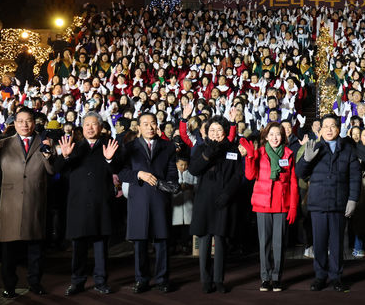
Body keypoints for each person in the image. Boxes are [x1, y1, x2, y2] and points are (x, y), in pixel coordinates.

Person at [0, 107, 54, 299]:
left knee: (36, 249)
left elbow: (51, 170)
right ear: (14, 123)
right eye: (20, 121)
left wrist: (49, 155)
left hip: (35, 202)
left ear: (34, 123)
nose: (24, 125)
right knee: (9, 251)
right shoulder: (5, 143)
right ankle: (9, 286)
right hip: (10, 204)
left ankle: (35, 283)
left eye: (28, 121)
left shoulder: (45, 143)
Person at [55, 112, 120, 296]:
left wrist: (109, 159)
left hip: (101, 204)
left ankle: (101, 281)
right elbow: (56, 169)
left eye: (94, 124)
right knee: (79, 247)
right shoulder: (73, 147)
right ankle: (77, 281)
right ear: (82, 128)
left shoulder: (110, 146)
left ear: (100, 127)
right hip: (79, 205)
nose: (90, 128)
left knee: (101, 246)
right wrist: (65, 156)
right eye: (86, 125)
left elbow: (118, 169)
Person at [296, 114, 361, 292]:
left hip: (339, 204)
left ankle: (336, 277)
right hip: (318, 203)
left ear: (339, 129)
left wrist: (353, 199)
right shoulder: (314, 147)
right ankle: (320, 276)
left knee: (337, 243)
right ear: (321, 130)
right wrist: (306, 160)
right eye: (326, 126)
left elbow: (355, 178)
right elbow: (300, 173)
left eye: (333, 126)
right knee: (319, 243)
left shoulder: (348, 150)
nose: (330, 129)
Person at [120, 112, 178, 294]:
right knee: (140, 242)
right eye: (145, 124)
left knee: (161, 241)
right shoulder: (129, 147)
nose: (150, 127)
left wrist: (167, 185)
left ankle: (162, 279)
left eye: (153, 123)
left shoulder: (167, 146)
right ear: (138, 127)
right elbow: (122, 172)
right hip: (139, 199)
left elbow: (172, 173)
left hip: (160, 198)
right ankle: (141, 279)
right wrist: (139, 174)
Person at [240, 122, 299, 292]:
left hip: (281, 204)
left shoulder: (288, 154)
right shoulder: (259, 153)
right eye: (271, 134)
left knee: (279, 244)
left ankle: (277, 277)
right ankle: (265, 278)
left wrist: (293, 206)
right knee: (264, 242)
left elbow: (293, 182)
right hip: (263, 203)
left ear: (283, 137)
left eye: (278, 134)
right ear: (266, 136)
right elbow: (250, 176)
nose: (275, 137)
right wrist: (250, 157)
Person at [189, 115, 242, 294]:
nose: (216, 133)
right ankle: (205, 279)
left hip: (224, 200)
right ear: (207, 132)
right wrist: (208, 154)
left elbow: (237, 175)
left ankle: (219, 280)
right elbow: (194, 169)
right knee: (203, 240)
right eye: (212, 130)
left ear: (225, 133)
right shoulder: (201, 149)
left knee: (220, 240)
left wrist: (228, 194)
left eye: (219, 130)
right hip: (204, 200)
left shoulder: (233, 149)